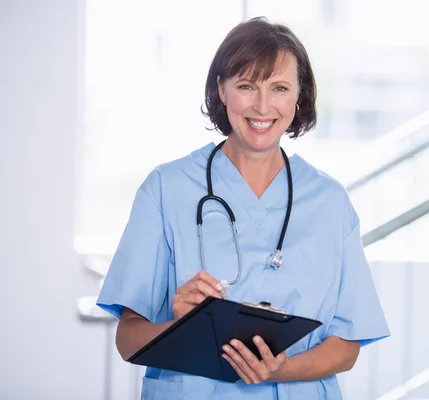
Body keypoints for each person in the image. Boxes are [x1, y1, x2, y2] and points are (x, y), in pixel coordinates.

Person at [97, 16, 389, 400]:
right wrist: (178, 324)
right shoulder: (166, 189)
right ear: (221, 90)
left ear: (299, 95)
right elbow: (127, 340)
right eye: (247, 86)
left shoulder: (330, 203)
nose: (263, 106)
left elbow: (347, 344)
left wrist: (282, 370)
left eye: (280, 87)